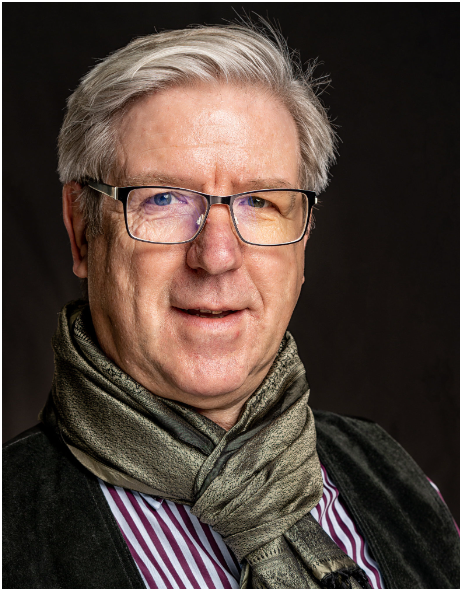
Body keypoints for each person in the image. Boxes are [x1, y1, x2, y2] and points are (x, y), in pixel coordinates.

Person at [3, 23, 459, 589]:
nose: (217, 256)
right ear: (81, 231)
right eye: (164, 198)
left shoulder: (402, 487)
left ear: (304, 236)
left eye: (260, 202)